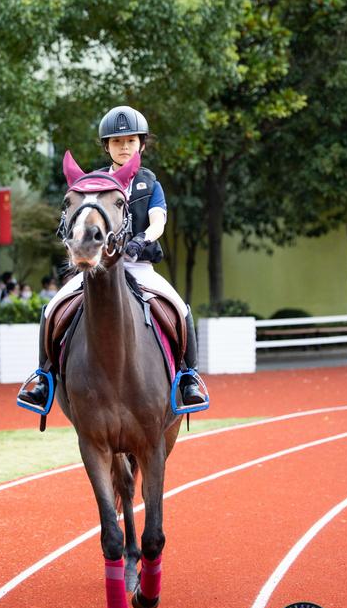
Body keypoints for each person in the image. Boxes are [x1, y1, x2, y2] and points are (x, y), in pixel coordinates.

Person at [19, 105, 206, 409]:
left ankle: (189, 377)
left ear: (141, 144)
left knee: (179, 308)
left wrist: (139, 241)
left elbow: (158, 222)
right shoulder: (93, 183)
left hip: (138, 264)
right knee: (52, 307)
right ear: (107, 146)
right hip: (98, 266)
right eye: (117, 142)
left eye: (131, 141)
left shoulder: (150, 183)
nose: (124, 147)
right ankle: (43, 378)